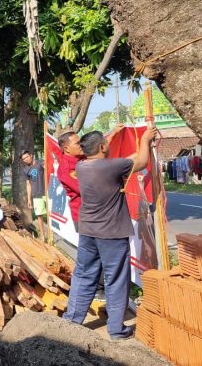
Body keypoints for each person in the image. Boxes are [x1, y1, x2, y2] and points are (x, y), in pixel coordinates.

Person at [63, 127, 157, 340]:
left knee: (84, 274)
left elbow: (123, 159)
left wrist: (113, 133)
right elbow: (140, 162)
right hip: (111, 233)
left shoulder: (82, 166)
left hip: (88, 230)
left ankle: (72, 320)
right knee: (115, 278)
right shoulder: (111, 166)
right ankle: (116, 329)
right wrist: (144, 139)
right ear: (103, 147)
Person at [57, 124, 126, 230]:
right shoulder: (66, 170)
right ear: (66, 148)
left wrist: (114, 132)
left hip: (99, 212)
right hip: (86, 217)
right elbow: (86, 189)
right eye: (77, 143)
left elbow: (100, 149)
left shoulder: (82, 156)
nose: (81, 145)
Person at [20, 151, 48, 241]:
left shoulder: (40, 163)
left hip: (47, 192)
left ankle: (53, 235)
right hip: (36, 194)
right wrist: (29, 199)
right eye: (23, 159)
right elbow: (28, 185)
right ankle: (42, 236)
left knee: (51, 215)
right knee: (40, 215)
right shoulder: (26, 170)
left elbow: (49, 169)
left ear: (31, 155)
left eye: (27, 157)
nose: (26, 159)